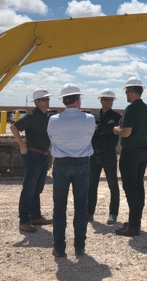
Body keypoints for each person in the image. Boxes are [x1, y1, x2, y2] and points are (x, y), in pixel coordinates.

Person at [47, 84, 96, 258]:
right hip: (82, 163)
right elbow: (90, 136)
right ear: (78, 99)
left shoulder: (53, 120)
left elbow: (51, 138)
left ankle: (59, 248)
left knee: (59, 206)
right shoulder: (89, 119)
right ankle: (79, 247)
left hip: (61, 164)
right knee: (81, 206)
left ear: (64, 100)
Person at [113, 77, 147, 237]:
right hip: (144, 150)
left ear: (132, 91)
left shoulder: (131, 109)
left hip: (131, 152)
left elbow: (126, 132)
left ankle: (134, 226)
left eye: (127, 92)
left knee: (130, 188)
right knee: (138, 185)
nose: (126, 95)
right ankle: (136, 220)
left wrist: (117, 130)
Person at [10, 87, 53, 233]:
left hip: (43, 156)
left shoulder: (47, 116)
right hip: (33, 156)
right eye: (44, 100)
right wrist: (21, 145)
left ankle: (35, 216)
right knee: (29, 189)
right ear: (36, 102)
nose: (47, 102)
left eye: (48, 99)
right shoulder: (31, 117)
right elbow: (14, 128)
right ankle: (24, 221)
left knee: (37, 189)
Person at [88, 89, 122, 225]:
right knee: (91, 185)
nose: (109, 102)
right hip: (95, 154)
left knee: (113, 185)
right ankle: (89, 212)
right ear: (101, 100)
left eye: (111, 100)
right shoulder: (94, 117)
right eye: (106, 100)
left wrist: (100, 129)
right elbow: (91, 132)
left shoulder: (117, 116)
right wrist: (106, 129)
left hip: (109, 154)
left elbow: (114, 130)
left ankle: (113, 214)